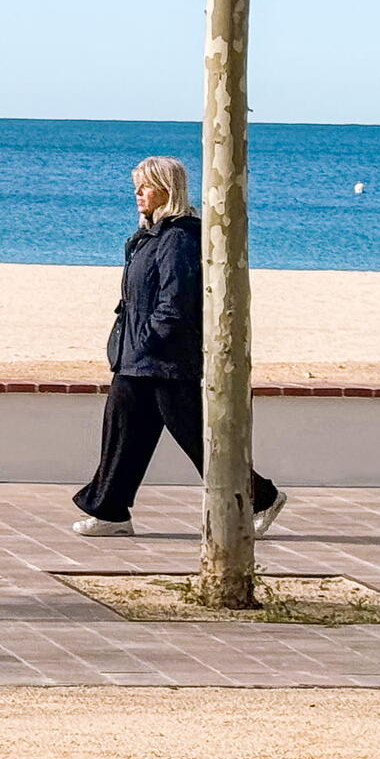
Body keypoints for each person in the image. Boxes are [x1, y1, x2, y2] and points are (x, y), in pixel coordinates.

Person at [71, 155, 289, 537]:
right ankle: (110, 512)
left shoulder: (179, 238)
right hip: (137, 358)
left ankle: (261, 497)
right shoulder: (150, 236)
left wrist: (147, 340)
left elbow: (176, 302)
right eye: (136, 186)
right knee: (123, 434)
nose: (138, 193)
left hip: (165, 361)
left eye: (145, 186)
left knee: (195, 436)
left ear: (166, 190)